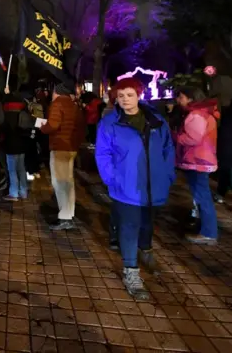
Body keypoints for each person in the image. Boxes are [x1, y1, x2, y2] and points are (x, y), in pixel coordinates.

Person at [95, 78, 175, 299]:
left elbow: (168, 149)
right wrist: (112, 178)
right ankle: (130, 270)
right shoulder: (110, 123)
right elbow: (103, 154)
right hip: (126, 186)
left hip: (155, 185)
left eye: (129, 95)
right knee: (129, 227)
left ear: (138, 95)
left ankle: (146, 251)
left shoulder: (156, 120)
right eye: (120, 96)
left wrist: (168, 174)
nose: (125, 100)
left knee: (148, 223)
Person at [175, 87, 219, 245]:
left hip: (197, 161)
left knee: (202, 196)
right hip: (202, 160)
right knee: (202, 196)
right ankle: (206, 229)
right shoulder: (205, 113)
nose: (179, 100)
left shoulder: (196, 115)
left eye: (181, 97)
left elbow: (193, 138)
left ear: (191, 98)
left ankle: (209, 233)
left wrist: (177, 137)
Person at [40, 83, 85, 230]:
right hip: (71, 148)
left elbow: (52, 125)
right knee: (68, 183)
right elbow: (80, 128)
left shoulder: (57, 104)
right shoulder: (74, 106)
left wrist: (42, 127)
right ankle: (68, 213)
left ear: (57, 92)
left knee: (59, 183)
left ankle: (65, 217)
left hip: (60, 147)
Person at [1, 91, 31, 201]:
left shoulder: (6, 115)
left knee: (12, 170)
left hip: (10, 146)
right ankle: (23, 191)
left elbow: (3, 129)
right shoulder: (24, 113)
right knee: (22, 169)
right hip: (22, 145)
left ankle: (13, 193)